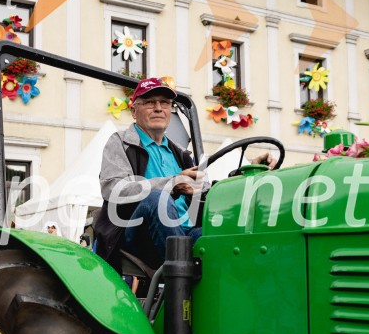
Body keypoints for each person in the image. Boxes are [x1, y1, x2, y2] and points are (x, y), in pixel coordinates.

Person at [95, 77, 275, 270]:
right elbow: (113, 188)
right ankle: (181, 275)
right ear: (133, 111)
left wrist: (246, 172)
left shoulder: (181, 153)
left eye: (165, 103)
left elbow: (206, 191)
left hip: (184, 232)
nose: (158, 108)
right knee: (158, 198)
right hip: (136, 232)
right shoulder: (120, 142)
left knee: (221, 234)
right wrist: (172, 184)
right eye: (149, 102)